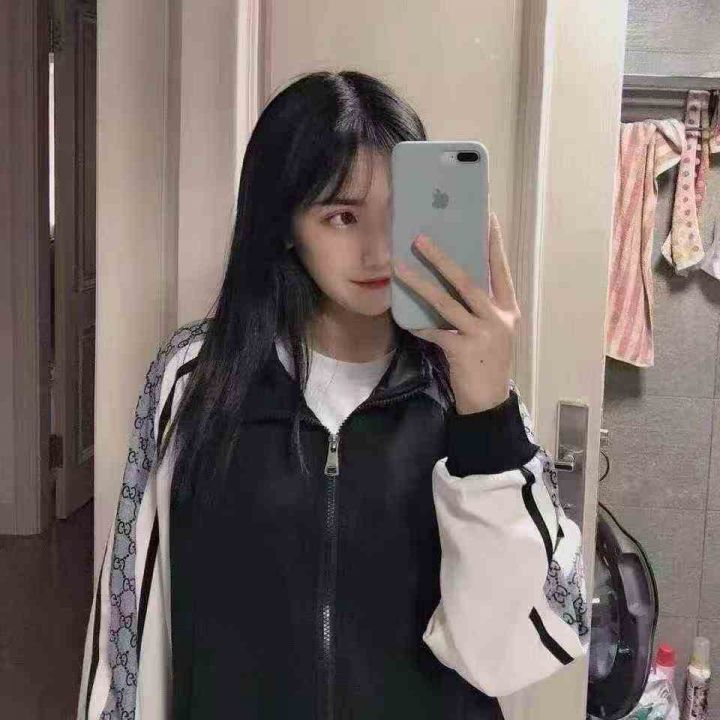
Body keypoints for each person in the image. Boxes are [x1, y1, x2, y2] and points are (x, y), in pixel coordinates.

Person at [76, 69, 589, 720]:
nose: (377, 251)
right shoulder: (194, 378)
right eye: (342, 216)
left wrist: (487, 409)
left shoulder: (465, 392)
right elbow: (128, 629)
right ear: (287, 225)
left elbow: (513, 646)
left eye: (397, 214)